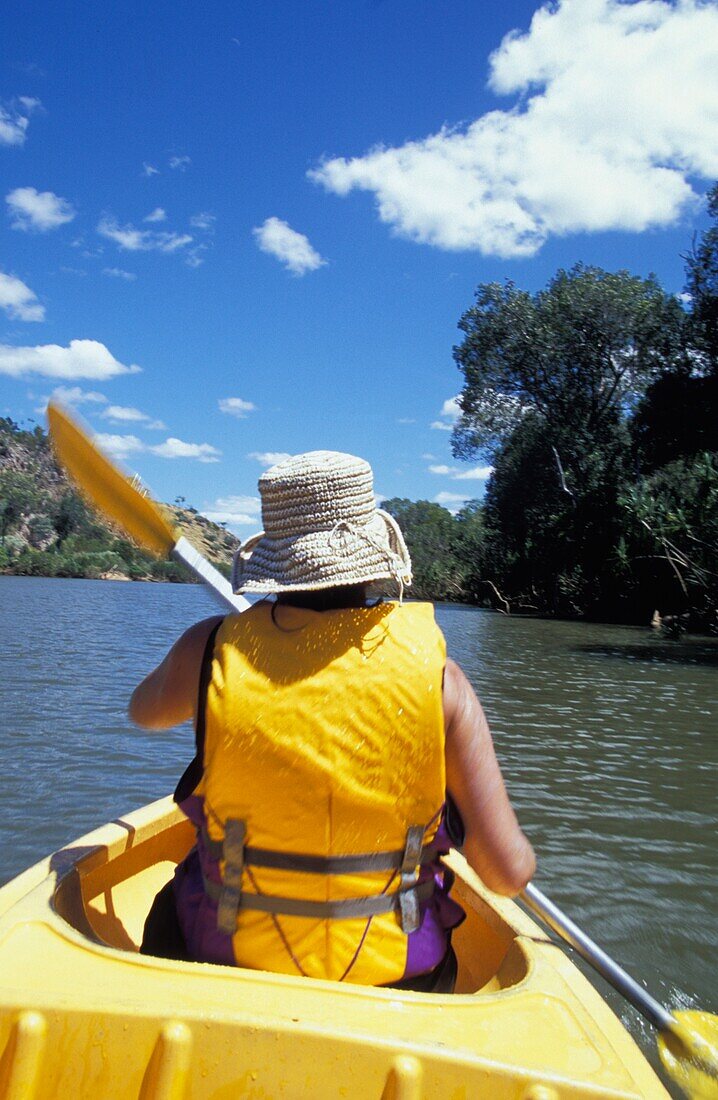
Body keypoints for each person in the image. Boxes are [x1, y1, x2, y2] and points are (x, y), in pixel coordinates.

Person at [130, 450, 535, 990]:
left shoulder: (210, 650)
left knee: (170, 900)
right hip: (395, 978)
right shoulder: (441, 680)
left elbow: (144, 712)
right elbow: (507, 874)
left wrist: (223, 649)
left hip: (222, 961)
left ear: (275, 557)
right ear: (374, 558)